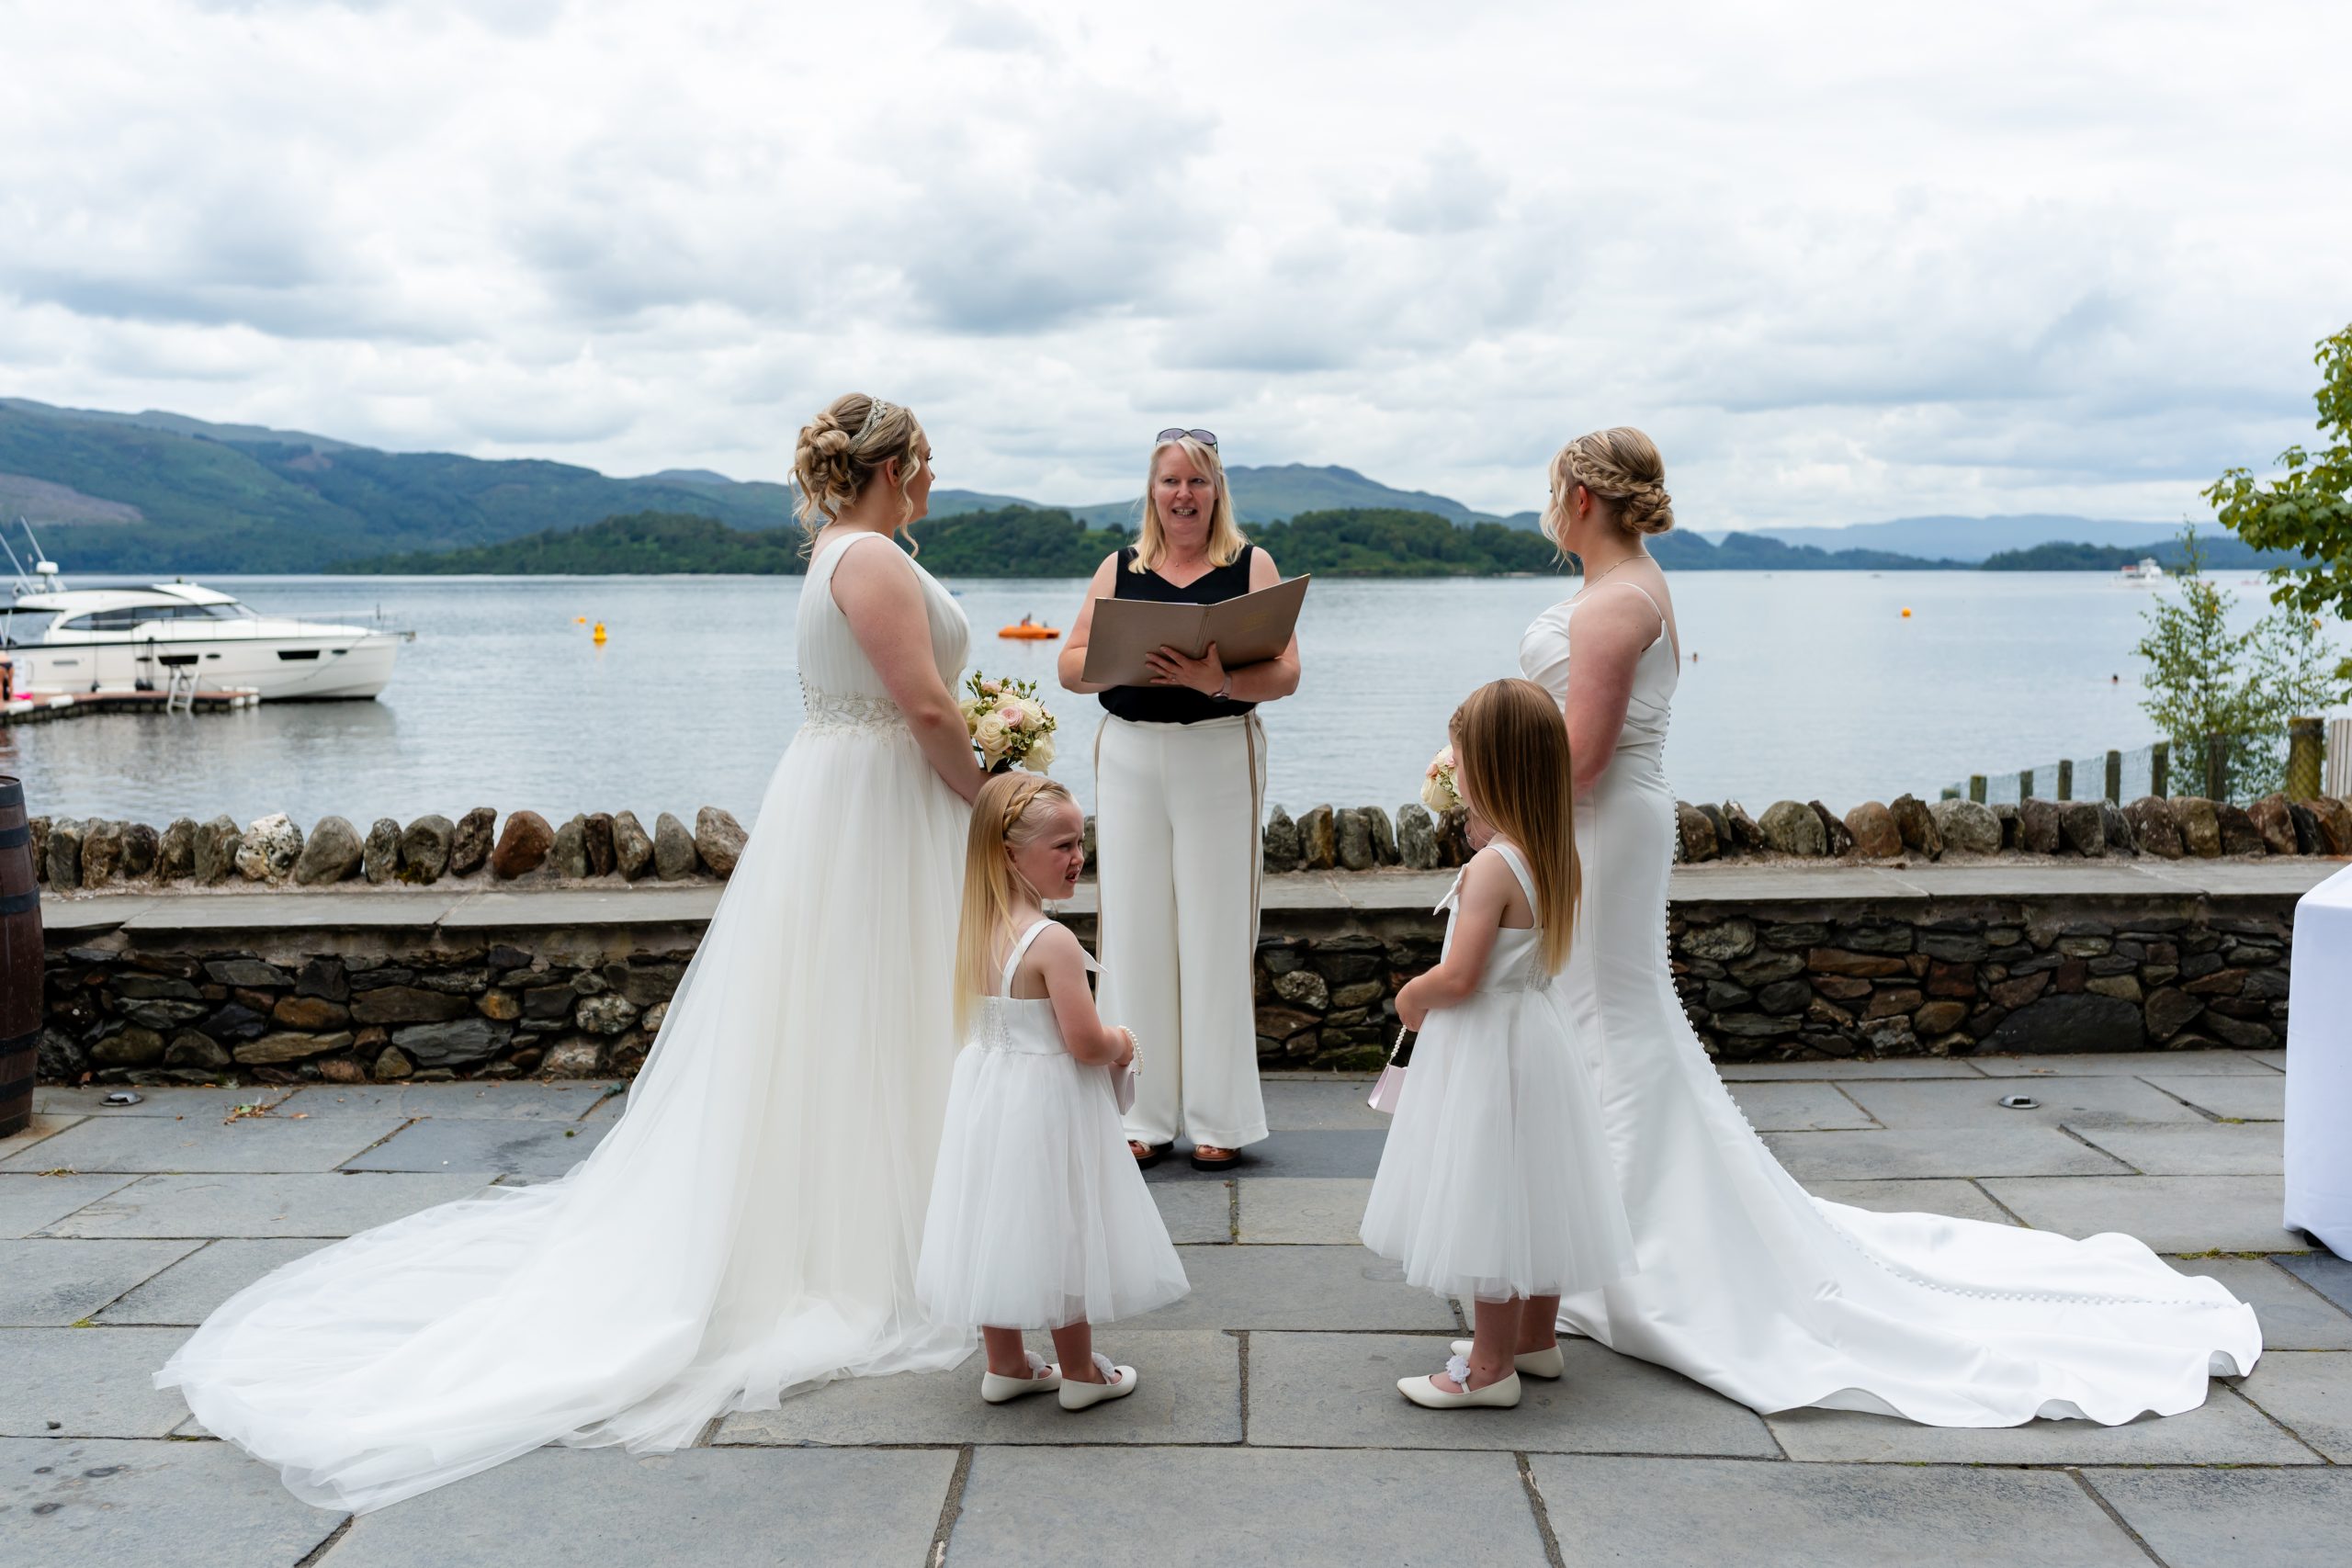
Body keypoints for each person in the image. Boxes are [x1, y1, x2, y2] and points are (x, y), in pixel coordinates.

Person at [157, 392, 991, 1511]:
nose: (932, 479)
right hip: (881, 805)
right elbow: (927, 710)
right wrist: (992, 802)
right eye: (924, 463)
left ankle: (901, 1215)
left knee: (853, 1014)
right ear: (895, 467)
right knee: (872, 1005)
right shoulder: (872, 560)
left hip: (852, 799)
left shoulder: (836, 554)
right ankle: (878, 1244)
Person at [1520, 425, 2261, 1426]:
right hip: (1605, 827)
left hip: (1599, 828)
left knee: (1610, 1024)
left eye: (1552, 488)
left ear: (1579, 496)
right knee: (1603, 1019)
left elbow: (1582, 758)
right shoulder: (1632, 583)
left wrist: (1486, 791)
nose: (1548, 503)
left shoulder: (1615, 603)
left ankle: (1639, 1248)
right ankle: (1600, 1231)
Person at [1361, 679, 1634, 1410]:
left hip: (1489, 1045)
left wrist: (1412, 996)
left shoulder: (1491, 867)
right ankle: (1534, 1340)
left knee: (1491, 1194)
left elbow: (1461, 976)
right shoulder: (1551, 853)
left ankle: (1488, 1368)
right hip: (1537, 1035)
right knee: (1536, 1186)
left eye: (1464, 760)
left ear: (1493, 770)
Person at [1057, 428, 1301, 1172]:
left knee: (1215, 929)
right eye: (1170, 481)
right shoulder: (1120, 567)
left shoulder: (1251, 564)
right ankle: (1142, 1113)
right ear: (1152, 491)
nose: (1183, 494)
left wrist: (1216, 681)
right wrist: (1119, 658)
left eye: (1197, 481)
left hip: (1219, 752)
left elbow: (1287, 673)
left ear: (1217, 490)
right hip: (1130, 754)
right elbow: (1069, 665)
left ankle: (1220, 1118)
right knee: (1133, 928)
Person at [917, 773, 1189, 1411]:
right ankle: (1081, 1373)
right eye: (1063, 845)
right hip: (1046, 1103)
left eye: (1081, 841)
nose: (1078, 857)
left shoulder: (976, 930)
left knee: (996, 1219)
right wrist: (1125, 1042)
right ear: (1010, 853)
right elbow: (1084, 1042)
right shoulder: (1052, 940)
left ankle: (1006, 1364)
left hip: (987, 1095)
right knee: (1064, 1224)